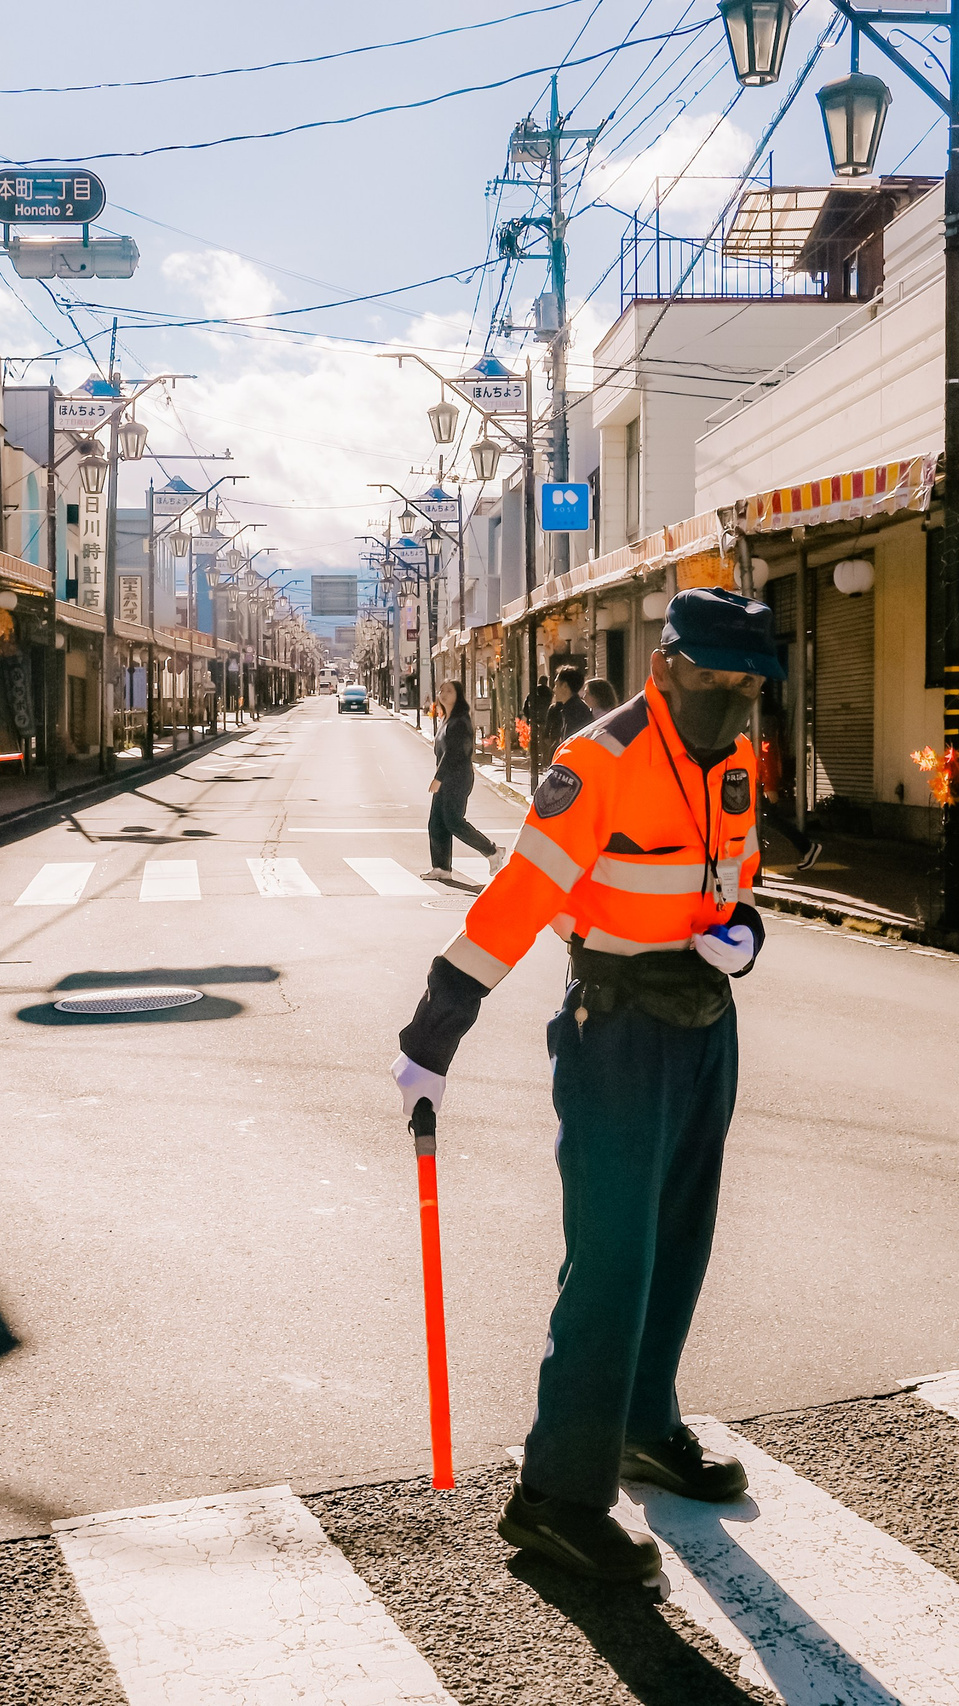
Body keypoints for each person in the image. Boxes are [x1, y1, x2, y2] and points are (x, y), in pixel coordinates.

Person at [391, 588, 778, 1583]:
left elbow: (737, 864)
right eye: (717, 677)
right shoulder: (596, 761)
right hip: (613, 1030)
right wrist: (437, 1028)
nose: (735, 696)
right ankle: (556, 1494)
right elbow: (520, 896)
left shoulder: (734, 754)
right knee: (611, 1260)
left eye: (750, 681)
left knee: (679, 1239)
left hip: (703, 1023)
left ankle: (645, 1425)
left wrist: (740, 927)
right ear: (667, 664)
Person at [424, 679, 498, 884]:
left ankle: (492, 851)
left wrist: (438, 779)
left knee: (453, 821)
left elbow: (453, 753)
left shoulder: (460, 721)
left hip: (457, 778)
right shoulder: (447, 719)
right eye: (442, 690)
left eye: (449, 691)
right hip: (448, 777)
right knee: (436, 823)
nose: (444, 694)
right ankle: (441, 868)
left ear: (458, 695)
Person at [756, 704, 821, 873]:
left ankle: (807, 847)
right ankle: (807, 848)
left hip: (762, 784)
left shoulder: (761, 725)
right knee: (766, 819)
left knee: (768, 818)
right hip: (760, 783)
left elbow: (768, 756)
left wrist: (770, 785)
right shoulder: (763, 723)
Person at [541, 664, 584, 763]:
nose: (554, 690)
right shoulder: (569, 708)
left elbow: (572, 748)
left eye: (556, 684)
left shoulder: (575, 711)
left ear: (565, 686)